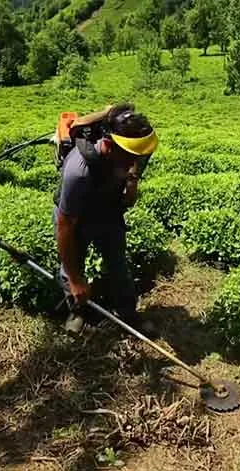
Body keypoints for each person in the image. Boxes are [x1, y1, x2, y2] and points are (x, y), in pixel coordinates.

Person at [53, 103, 158, 334]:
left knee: (118, 264)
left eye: (139, 159)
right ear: (109, 147)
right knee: (72, 265)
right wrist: (75, 280)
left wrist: (132, 181)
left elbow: (128, 197)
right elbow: (65, 225)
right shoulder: (79, 172)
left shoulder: (134, 152)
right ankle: (77, 310)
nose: (135, 164)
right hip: (77, 216)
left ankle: (128, 314)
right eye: (130, 159)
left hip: (108, 210)